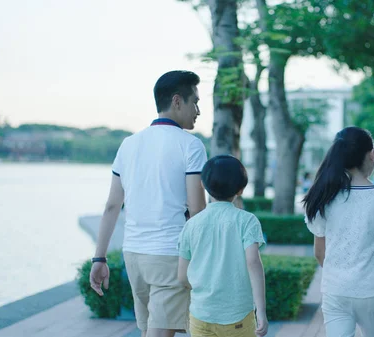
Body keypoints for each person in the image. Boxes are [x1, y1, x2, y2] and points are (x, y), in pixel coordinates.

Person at [89, 70, 208, 337]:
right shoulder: (191, 145)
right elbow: (198, 208)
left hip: (134, 255)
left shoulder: (128, 144)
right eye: (195, 102)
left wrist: (99, 257)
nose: (198, 110)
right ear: (177, 101)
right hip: (170, 254)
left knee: (149, 330)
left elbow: (111, 206)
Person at [303, 127, 374, 337]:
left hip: (336, 290)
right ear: (372, 154)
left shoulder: (324, 196)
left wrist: (340, 274)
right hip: (373, 290)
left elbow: (320, 254)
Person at [177, 155, 268, 337]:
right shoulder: (247, 221)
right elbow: (253, 263)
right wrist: (261, 311)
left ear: (202, 184)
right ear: (241, 190)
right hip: (239, 314)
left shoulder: (191, 225)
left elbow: (181, 277)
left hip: (201, 314)